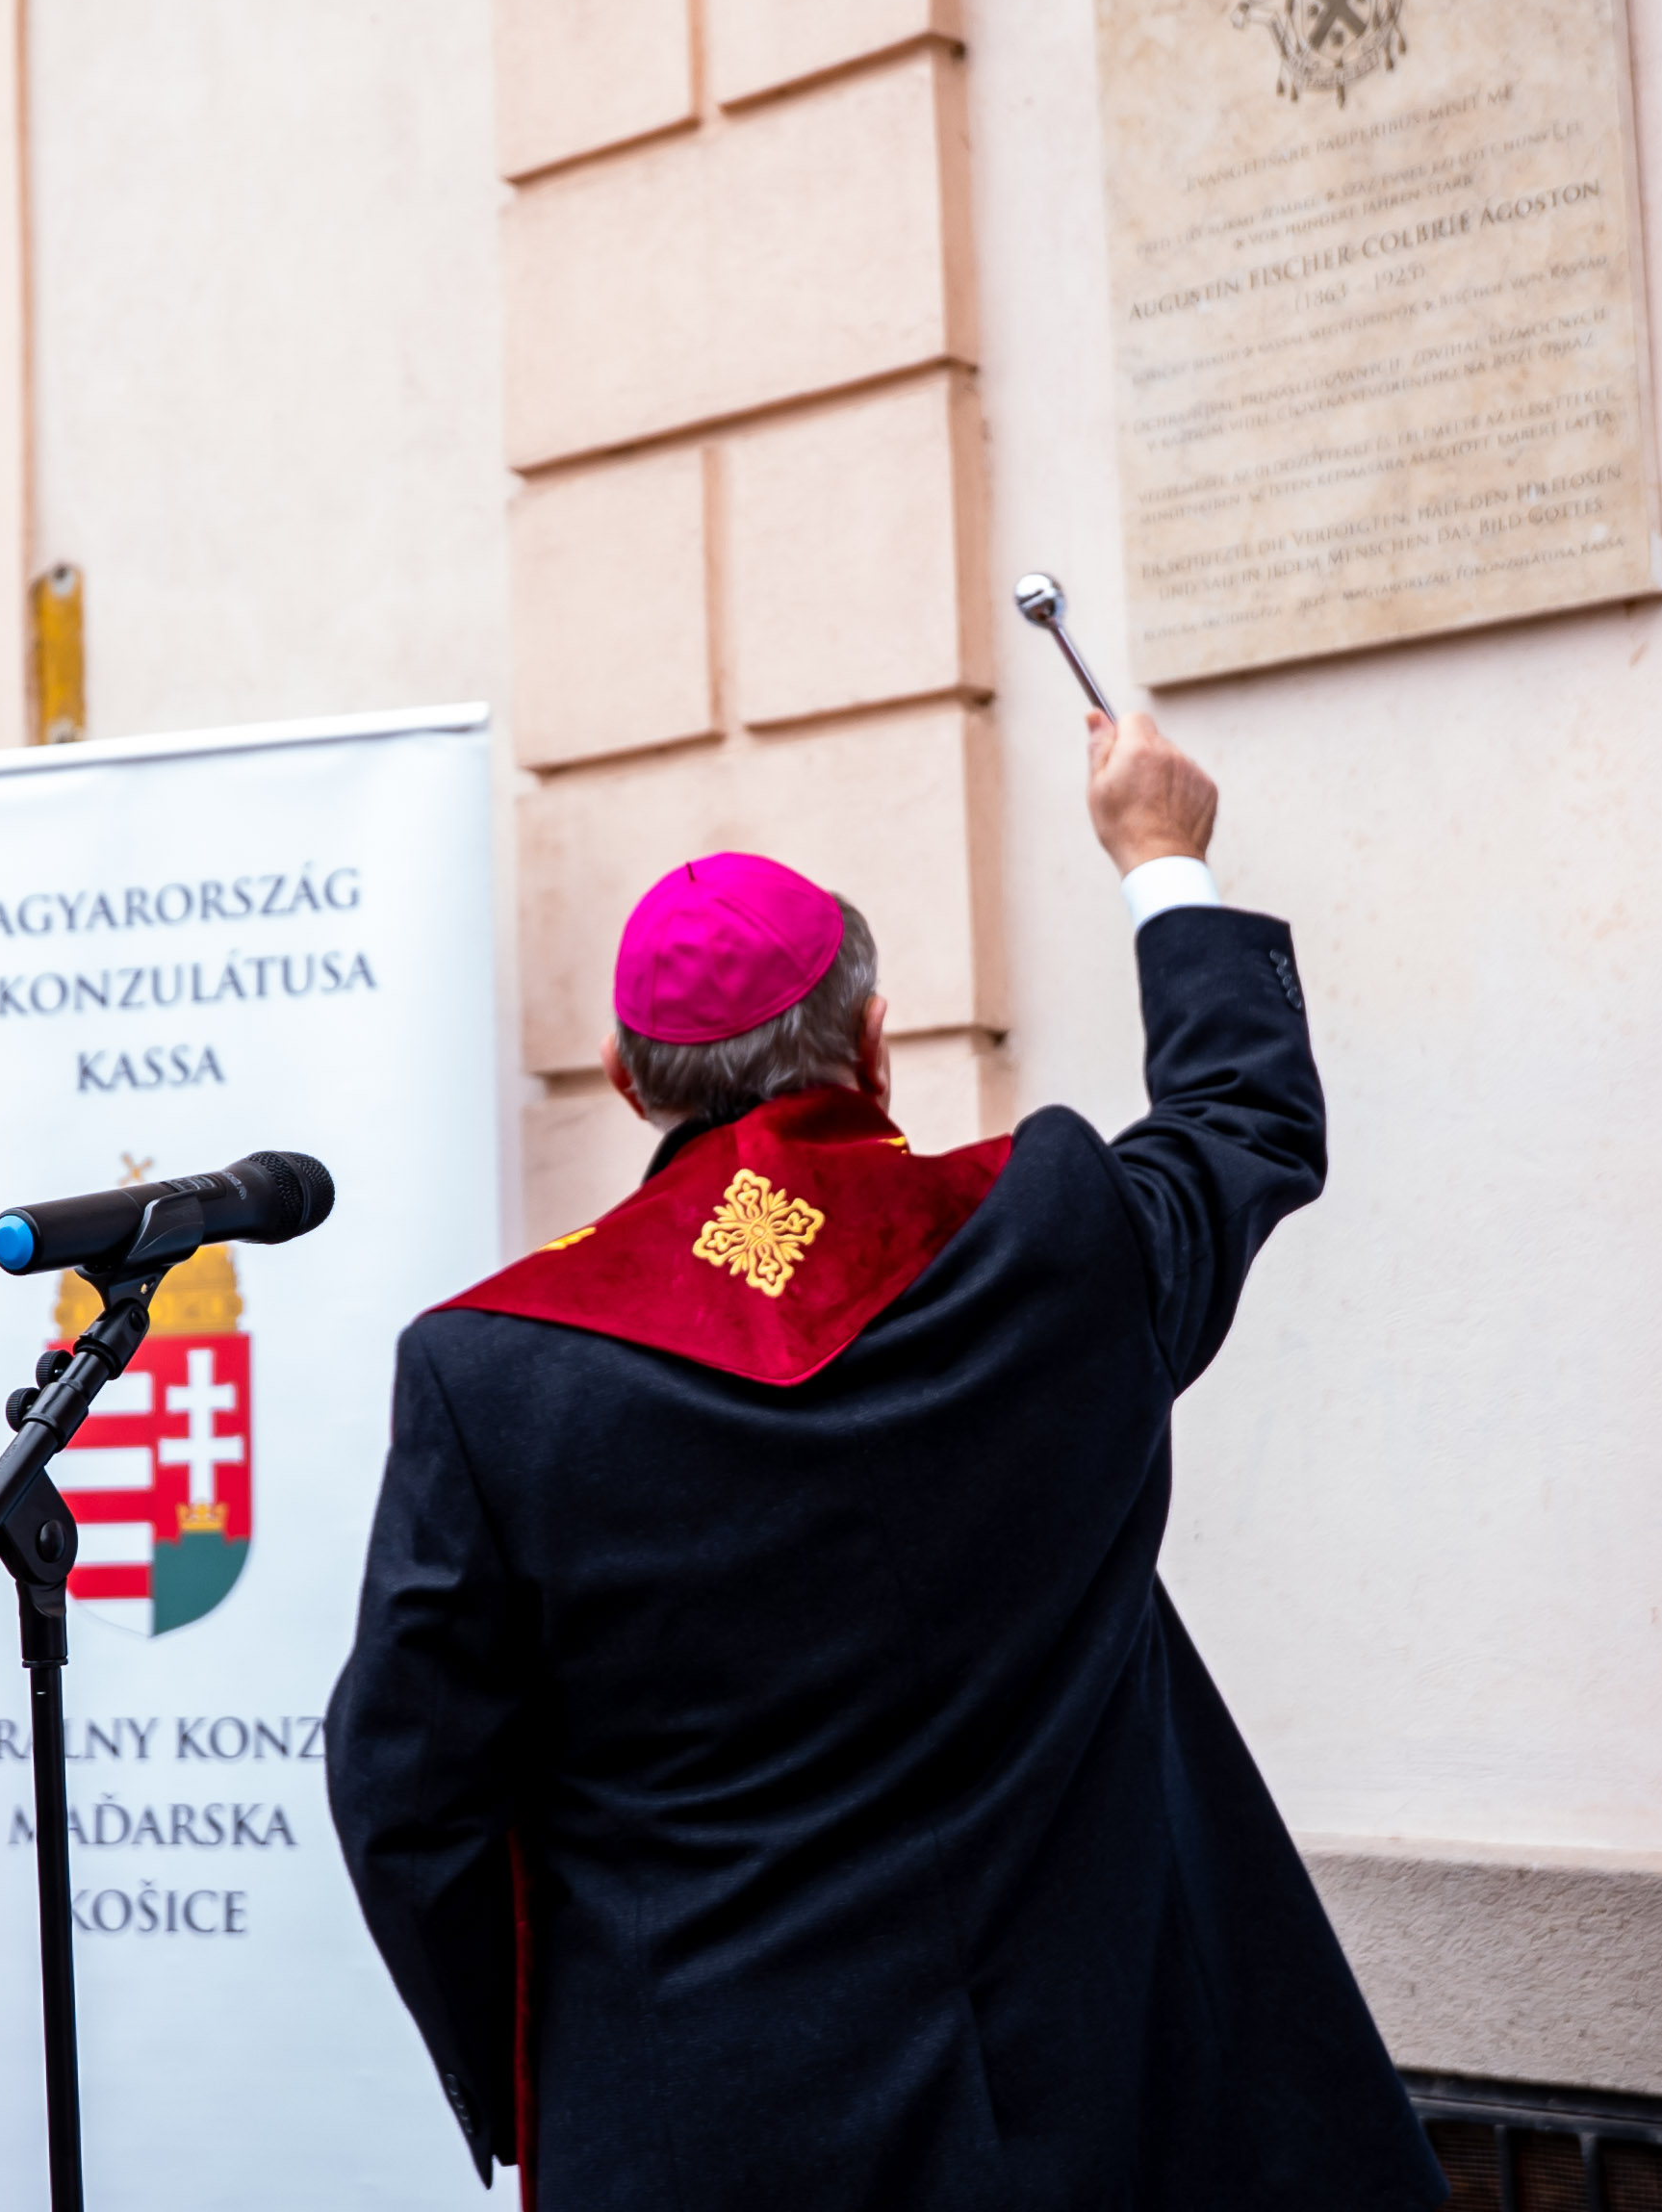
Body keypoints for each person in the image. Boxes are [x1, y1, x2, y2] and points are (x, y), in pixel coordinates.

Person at [325, 707, 1444, 2211]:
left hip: (700, 2126)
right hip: (1101, 2098)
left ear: (628, 1078)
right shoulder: (1054, 1237)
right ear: (870, 1038)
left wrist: (535, 2059)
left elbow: (408, 1793)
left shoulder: (497, 1372)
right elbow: (1240, 1117)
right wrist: (1161, 853)